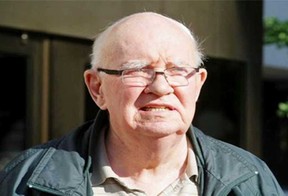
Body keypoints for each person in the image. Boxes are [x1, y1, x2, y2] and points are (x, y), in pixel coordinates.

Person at [0, 12, 284, 196]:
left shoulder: (250, 180)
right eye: (137, 70)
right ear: (97, 88)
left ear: (198, 84)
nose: (161, 87)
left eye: (177, 70)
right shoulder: (26, 182)